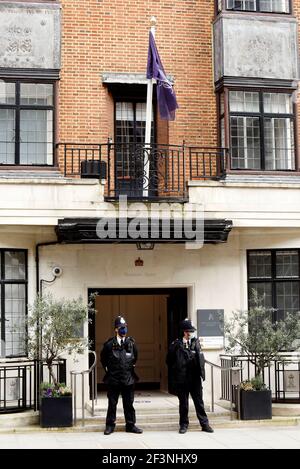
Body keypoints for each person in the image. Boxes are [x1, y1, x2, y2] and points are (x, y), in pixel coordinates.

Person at [166, 318, 214, 434]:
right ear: (184, 331)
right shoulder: (176, 344)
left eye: (191, 331)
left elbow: (200, 358)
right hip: (182, 379)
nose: (190, 333)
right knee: (183, 404)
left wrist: (201, 373)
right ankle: (183, 425)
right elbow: (169, 361)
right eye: (188, 331)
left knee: (199, 402)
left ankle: (205, 424)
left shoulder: (195, 342)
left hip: (195, 378)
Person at [100, 315, 143, 435]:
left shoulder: (131, 343)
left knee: (129, 404)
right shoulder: (109, 344)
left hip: (128, 379)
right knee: (112, 404)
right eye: (121, 327)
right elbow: (103, 359)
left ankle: (130, 425)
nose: (124, 329)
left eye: (125, 327)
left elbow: (135, 358)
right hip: (113, 379)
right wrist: (109, 370)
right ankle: (110, 426)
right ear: (116, 329)